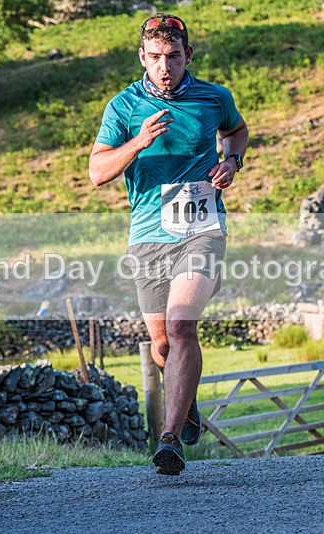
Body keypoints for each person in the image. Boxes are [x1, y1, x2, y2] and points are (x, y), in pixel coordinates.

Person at [89, 13, 248, 476]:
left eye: (173, 57)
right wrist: (137, 142)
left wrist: (232, 161)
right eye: (156, 57)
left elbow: (236, 131)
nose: (165, 66)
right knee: (161, 343)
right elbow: (97, 172)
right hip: (148, 235)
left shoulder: (214, 97)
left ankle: (171, 439)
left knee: (181, 326)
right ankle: (187, 400)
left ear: (187, 56)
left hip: (202, 228)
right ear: (142, 57)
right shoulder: (123, 106)